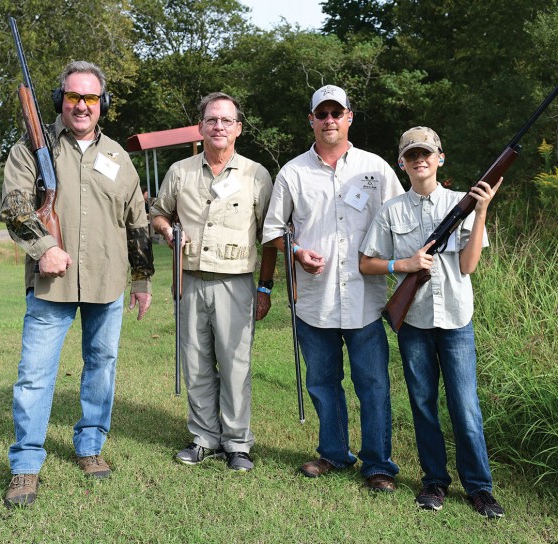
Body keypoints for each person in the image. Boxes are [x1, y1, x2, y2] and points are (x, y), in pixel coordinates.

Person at [1, 61, 154, 507]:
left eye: (90, 98)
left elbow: (137, 221)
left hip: (108, 283)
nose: (81, 105)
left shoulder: (118, 157)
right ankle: (26, 465)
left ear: (101, 103)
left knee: (101, 366)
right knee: (34, 375)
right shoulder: (33, 147)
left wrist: (142, 279)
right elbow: (15, 207)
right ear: (60, 101)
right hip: (53, 285)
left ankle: (90, 446)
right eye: (73, 97)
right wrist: (43, 246)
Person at [262, 85, 404, 490]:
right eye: (321, 114)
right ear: (311, 120)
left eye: (336, 113)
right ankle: (334, 453)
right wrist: (297, 253)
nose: (329, 120)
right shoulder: (292, 172)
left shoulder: (376, 169)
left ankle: (378, 464)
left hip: (367, 299)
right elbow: (273, 232)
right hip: (314, 300)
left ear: (349, 117)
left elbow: (400, 221)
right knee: (322, 383)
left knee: (373, 385)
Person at [359, 126, 504, 518]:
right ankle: (434, 481)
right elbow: (366, 262)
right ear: (401, 163)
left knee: (465, 406)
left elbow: (468, 265)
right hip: (415, 323)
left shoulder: (463, 203)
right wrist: (402, 265)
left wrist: (483, 209)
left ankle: (480, 488)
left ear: (440, 158)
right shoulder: (392, 211)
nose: (420, 160)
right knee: (423, 404)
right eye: (412, 155)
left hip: (456, 320)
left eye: (427, 153)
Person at [150, 92, 276, 472]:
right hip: (189, 280)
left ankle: (237, 443)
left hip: (236, 283)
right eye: (211, 120)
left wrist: (265, 287)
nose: (218, 126)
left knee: (235, 363)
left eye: (226, 120)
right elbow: (158, 213)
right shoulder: (180, 171)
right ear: (200, 127)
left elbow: (270, 235)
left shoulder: (257, 174)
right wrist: (168, 231)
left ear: (238, 128)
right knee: (196, 361)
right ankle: (204, 437)